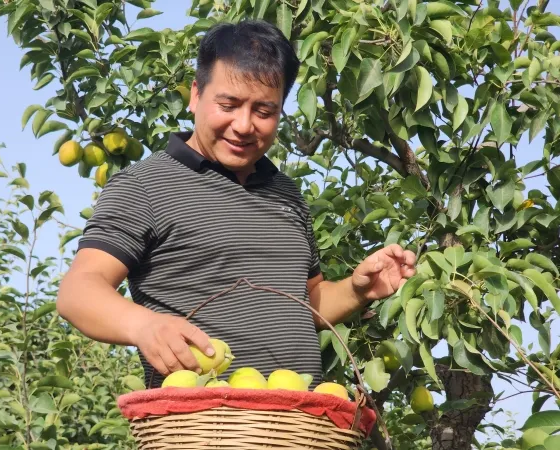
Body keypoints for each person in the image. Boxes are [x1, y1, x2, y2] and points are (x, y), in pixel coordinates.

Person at [56, 19, 417, 389]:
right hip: (203, 418)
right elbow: (78, 291)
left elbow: (305, 303)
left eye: (264, 111)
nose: (244, 125)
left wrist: (357, 290)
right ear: (196, 94)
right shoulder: (144, 186)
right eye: (228, 104)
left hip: (299, 418)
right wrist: (144, 325)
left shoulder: (286, 193)